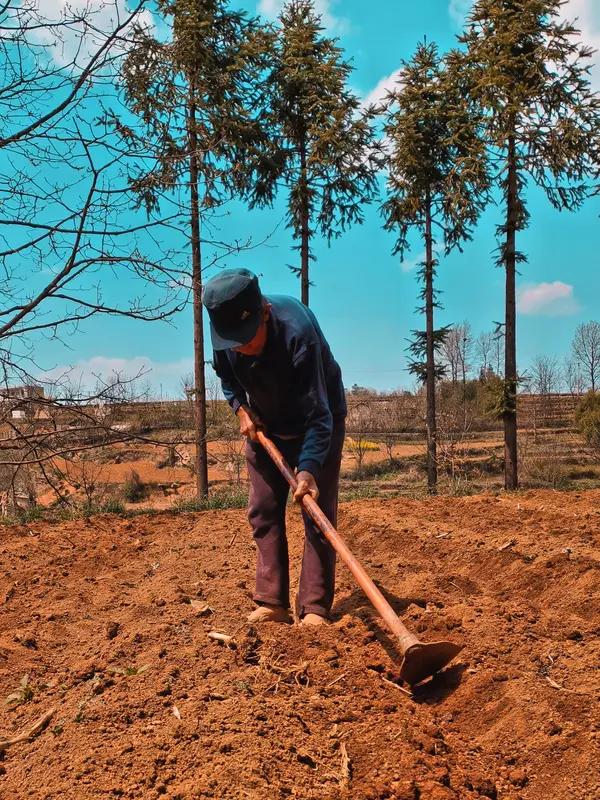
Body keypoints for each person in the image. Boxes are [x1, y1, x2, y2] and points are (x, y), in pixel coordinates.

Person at [202, 268, 346, 626]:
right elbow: (227, 378)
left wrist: (309, 469)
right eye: (235, 343)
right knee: (263, 508)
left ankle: (314, 607)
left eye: (249, 339)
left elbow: (319, 415)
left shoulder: (299, 335)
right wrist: (241, 409)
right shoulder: (226, 336)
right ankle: (273, 602)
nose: (243, 348)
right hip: (266, 423)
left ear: (265, 312)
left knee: (317, 514)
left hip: (319, 419)